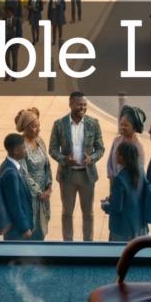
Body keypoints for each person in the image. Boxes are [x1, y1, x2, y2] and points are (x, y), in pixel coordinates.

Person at [49, 92, 105, 242]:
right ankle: (68, 243)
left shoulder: (94, 123)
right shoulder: (59, 124)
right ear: (70, 104)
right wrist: (64, 160)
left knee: (88, 213)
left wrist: (91, 158)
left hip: (87, 176)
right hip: (67, 176)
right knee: (67, 212)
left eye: (85, 105)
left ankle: (89, 243)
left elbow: (100, 148)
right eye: (79, 104)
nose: (83, 107)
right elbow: (52, 149)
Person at [102, 142, 149, 242]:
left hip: (122, 229)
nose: (115, 155)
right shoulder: (140, 170)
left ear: (122, 157)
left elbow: (116, 208)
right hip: (138, 225)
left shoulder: (119, 178)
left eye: (117, 153)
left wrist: (105, 206)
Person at [15, 108, 51, 240]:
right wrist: (39, 192)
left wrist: (48, 187)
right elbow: (23, 172)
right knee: (31, 229)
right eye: (34, 126)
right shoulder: (21, 145)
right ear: (25, 127)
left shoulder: (40, 141)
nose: (38, 129)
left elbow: (47, 165)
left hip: (44, 195)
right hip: (30, 195)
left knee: (42, 228)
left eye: (39, 126)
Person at [0, 133, 35, 241]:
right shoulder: (11, 174)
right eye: (24, 147)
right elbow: (14, 205)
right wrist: (25, 227)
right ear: (16, 150)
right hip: (16, 230)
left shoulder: (8, 165)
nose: (26, 150)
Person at [107, 105, 147, 190]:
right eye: (121, 124)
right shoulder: (116, 140)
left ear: (134, 127)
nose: (122, 127)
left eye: (126, 125)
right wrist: (112, 183)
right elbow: (109, 163)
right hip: (115, 184)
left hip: (130, 188)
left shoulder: (139, 146)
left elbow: (140, 170)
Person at [3, 6, 23, 81]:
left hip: (14, 42)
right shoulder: (3, 20)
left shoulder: (17, 20)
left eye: (8, 12)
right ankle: (8, 74)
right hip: (6, 42)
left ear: (12, 12)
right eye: (6, 12)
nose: (7, 14)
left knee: (15, 58)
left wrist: (18, 42)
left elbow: (19, 32)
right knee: (7, 58)